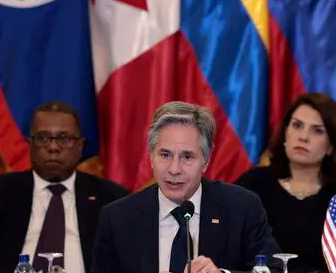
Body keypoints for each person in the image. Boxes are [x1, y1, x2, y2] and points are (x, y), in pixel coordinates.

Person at [91, 101, 281, 273]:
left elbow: (274, 269)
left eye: (187, 157)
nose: (174, 169)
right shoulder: (117, 218)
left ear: (205, 161)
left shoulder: (241, 208)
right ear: (151, 157)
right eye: (165, 155)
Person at [0, 101, 128, 273]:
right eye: (43, 138)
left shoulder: (112, 199)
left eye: (63, 138)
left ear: (79, 146)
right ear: (30, 145)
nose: (53, 147)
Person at [235, 93, 336, 273]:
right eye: (297, 125)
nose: (303, 137)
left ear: (331, 146)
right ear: (285, 132)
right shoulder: (253, 184)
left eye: (317, 130)